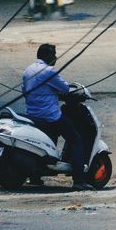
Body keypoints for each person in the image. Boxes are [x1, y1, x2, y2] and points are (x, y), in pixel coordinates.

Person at [21, 43, 87, 189]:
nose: (56, 57)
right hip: (50, 116)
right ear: (48, 56)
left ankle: (35, 176)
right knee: (76, 140)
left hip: (32, 114)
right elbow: (65, 88)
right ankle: (79, 180)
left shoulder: (27, 70)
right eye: (54, 54)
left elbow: (24, 91)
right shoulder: (49, 71)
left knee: (50, 139)